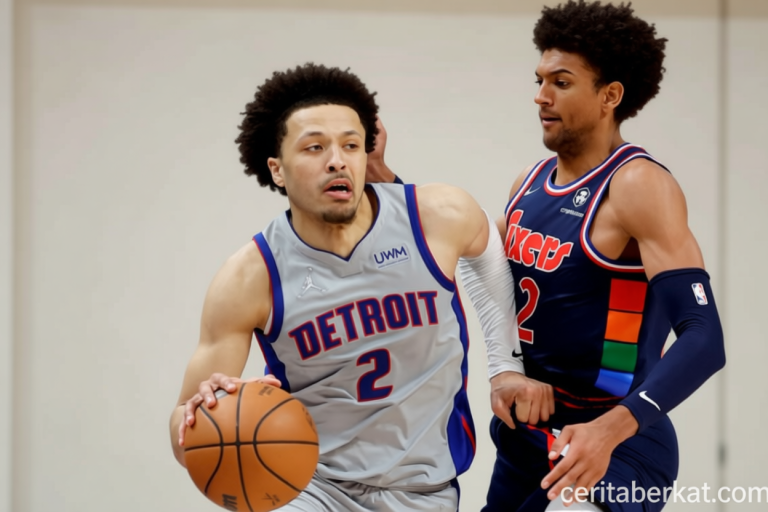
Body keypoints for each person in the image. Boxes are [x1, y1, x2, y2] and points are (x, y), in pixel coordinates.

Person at [371, 1, 726, 510]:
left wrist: (610, 430)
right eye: (539, 80)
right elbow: (460, 249)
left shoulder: (637, 185)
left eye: (561, 82)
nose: (541, 96)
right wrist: (382, 178)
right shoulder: (530, 182)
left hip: (613, 443)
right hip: (530, 437)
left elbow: (705, 338)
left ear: (610, 96)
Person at [168, 63, 522, 511]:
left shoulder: (436, 216)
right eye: (314, 147)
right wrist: (210, 414)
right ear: (277, 170)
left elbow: (490, 260)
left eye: (350, 145)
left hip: (424, 489)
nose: (337, 160)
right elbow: (182, 431)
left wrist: (506, 366)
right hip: (313, 488)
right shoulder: (249, 276)